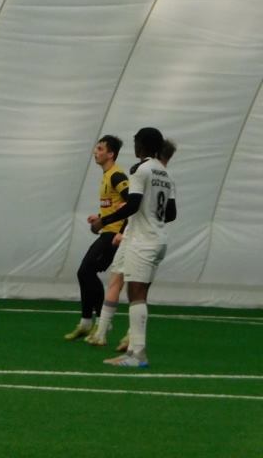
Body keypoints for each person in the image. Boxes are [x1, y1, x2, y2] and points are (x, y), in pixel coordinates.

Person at [89, 127, 176, 367]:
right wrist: (151, 213)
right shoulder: (166, 174)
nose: (135, 147)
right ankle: (132, 351)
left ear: (142, 145)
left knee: (135, 295)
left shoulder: (141, 169)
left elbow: (132, 204)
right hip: (159, 239)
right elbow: (171, 213)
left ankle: (137, 354)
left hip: (143, 240)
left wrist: (103, 221)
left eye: (136, 142)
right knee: (139, 293)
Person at [63, 135, 129, 341]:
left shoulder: (117, 176)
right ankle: (86, 323)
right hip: (107, 231)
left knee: (86, 271)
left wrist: (122, 232)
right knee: (85, 273)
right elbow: (117, 205)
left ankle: (102, 322)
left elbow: (132, 203)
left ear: (111, 154)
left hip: (114, 234)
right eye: (96, 148)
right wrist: (100, 217)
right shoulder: (107, 175)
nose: (95, 152)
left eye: (100, 149)